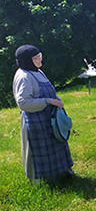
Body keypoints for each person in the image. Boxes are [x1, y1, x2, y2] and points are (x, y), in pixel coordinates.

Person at [13, 45, 73, 183]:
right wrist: (48, 101)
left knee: (56, 146)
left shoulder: (38, 72)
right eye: (36, 58)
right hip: (35, 122)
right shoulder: (24, 76)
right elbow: (23, 103)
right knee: (40, 152)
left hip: (49, 119)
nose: (40, 59)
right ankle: (43, 182)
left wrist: (56, 100)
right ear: (27, 61)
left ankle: (63, 175)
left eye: (40, 56)